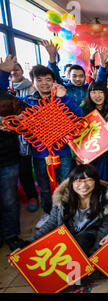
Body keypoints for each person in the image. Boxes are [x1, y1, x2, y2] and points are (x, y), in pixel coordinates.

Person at [0, 58, 84, 230]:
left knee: (67, 184)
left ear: (54, 81)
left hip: (63, 152)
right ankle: (48, 213)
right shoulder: (28, 103)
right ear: (33, 82)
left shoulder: (63, 96)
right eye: (39, 80)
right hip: (40, 155)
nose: (44, 83)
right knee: (45, 188)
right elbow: (21, 124)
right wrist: (10, 126)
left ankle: (69, 214)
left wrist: (64, 99)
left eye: (48, 79)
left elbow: (79, 115)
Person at [11, 164, 108, 256]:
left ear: (96, 181)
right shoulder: (62, 199)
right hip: (64, 237)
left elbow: (103, 230)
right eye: (78, 181)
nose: (83, 185)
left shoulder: (106, 201)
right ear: (71, 183)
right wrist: (27, 245)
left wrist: (93, 255)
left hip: (88, 240)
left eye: (88, 180)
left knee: (80, 243)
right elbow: (51, 224)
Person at [7, 62, 39, 211]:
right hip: (12, 136)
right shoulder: (5, 90)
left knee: (29, 168)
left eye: (17, 70)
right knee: (19, 169)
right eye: (11, 71)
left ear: (21, 71)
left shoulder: (32, 87)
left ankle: (33, 196)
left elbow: (33, 111)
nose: (14, 73)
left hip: (30, 134)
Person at [0, 76, 27, 250]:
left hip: (7, 157)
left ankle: (11, 235)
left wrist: (16, 123)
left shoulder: (7, 96)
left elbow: (25, 114)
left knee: (9, 199)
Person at [43, 40, 108, 107]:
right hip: (68, 116)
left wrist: (103, 63)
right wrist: (52, 58)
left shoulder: (89, 88)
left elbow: (101, 83)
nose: (78, 79)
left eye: (81, 76)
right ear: (69, 76)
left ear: (85, 77)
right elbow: (55, 75)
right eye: (74, 76)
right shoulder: (64, 88)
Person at [80, 81, 108, 182]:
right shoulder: (83, 110)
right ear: (89, 94)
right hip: (90, 152)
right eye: (93, 92)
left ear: (106, 93)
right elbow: (77, 134)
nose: (97, 96)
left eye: (100, 92)